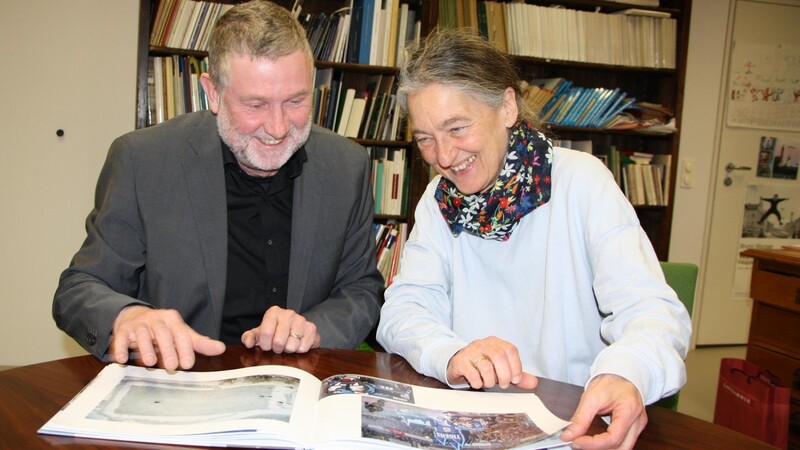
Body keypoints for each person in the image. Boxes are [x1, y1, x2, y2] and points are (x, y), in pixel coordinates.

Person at [376, 28, 691, 450]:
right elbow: (403, 309)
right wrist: (450, 354)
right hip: (469, 422)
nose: (444, 158)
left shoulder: (581, 181)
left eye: (456, 128)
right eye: (425, 139)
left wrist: (626, 371)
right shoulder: (438, 198)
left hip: (571, 423)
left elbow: (652, 311)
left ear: (506, 107)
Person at [53, 0, 383, 371]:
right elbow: (79, 288)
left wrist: (316, 328)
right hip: (179, 383)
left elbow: (360, 289)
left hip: (297, 384)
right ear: (212, 92)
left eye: (295, 101)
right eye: (255, 105)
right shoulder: (142, 161)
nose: (277, 128)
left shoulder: (347, 166)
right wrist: (127, 316)